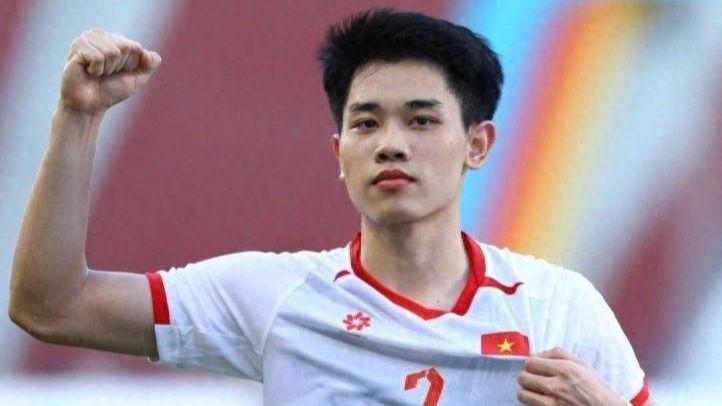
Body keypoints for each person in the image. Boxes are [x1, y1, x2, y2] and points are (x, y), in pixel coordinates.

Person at [9, 8, 651, 405]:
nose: (391, 144)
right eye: (367, 124)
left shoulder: (558, 308)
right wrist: (78, 119)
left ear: (477, 145)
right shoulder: (276, 296)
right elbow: (51, 305)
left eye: (421, 121)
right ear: (340, 152)